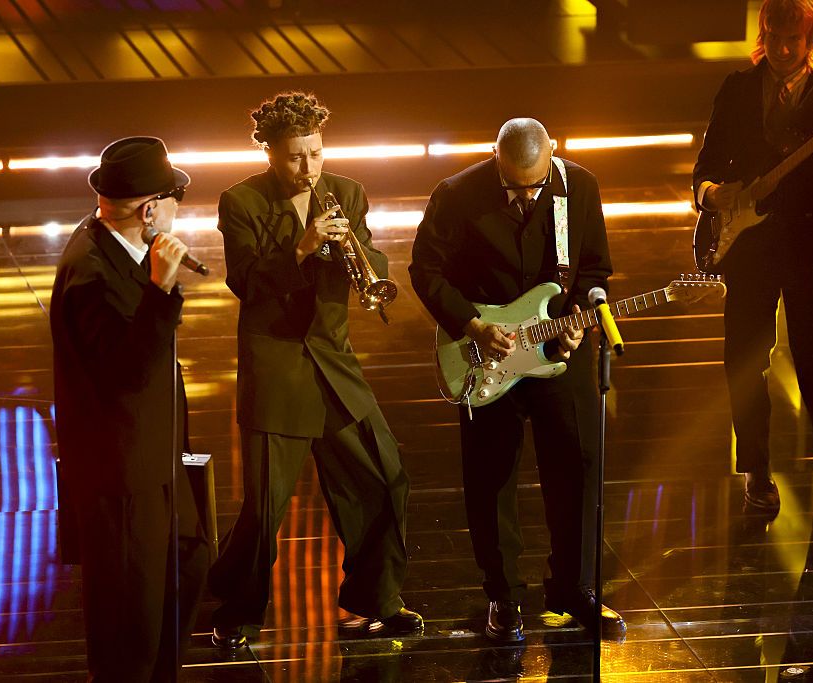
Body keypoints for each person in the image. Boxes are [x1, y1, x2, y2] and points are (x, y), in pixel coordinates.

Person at [207, 92, 421, 648]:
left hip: (333, 360)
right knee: (266, 506)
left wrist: (362, 261)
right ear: (271, 153)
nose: (309, 167)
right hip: (277, 366)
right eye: (296, 157)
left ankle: (378, 599)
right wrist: (300, 249)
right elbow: (245, 283)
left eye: (317, 154)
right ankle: (237, 607)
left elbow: (370, 257)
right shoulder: (241, 201)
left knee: (385, 477)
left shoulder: (347, 193)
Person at [409, 118, 626, 641]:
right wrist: (473, 325)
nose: (526, 195)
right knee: (491, 477)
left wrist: (576, 322)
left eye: (536, 184)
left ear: (554, 153)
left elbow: (594, 268)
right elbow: (425, 270)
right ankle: (503, 596)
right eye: (513, 185)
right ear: (495, 158)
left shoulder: (580, 186)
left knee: (578, 464)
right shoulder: (456, 194)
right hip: (487, 352)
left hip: (557, 348)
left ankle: (575, 588)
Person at [693, 0, 813, 513]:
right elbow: (706, 164)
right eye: (773, 36)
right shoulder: (736, 88)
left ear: (811, 39)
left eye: (792, 39)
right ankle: (755, 469)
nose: (780, 48)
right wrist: (711, 194)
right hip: (749, 248)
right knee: (744, 359)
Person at [50, 136, 210, 681]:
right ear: (149, 210)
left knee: (186, 562)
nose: (177, 210)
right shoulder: (93, 273)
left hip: (154, 455)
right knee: (129, 617)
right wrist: (161, 289)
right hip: (122, 472)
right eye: (173, 200)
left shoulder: (114, 244)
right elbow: (128, 371)